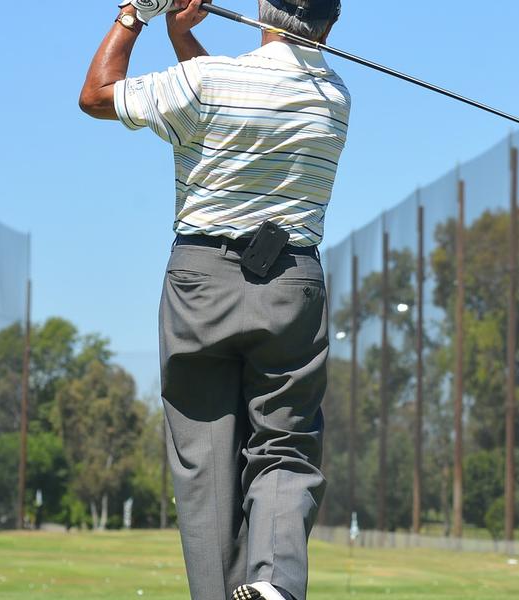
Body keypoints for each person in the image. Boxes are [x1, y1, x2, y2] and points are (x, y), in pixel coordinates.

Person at [78, 1, 348, 599]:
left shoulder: (205, 83)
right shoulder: (333, 97)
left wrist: (136, 15)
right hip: (292, 285)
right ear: (331, 23)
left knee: (205, 458)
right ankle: (273, 581)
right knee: (283, 444)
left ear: (260, 11)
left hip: (201, 282)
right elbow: (230, 105)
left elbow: (98, 94)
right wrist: (182, 39)